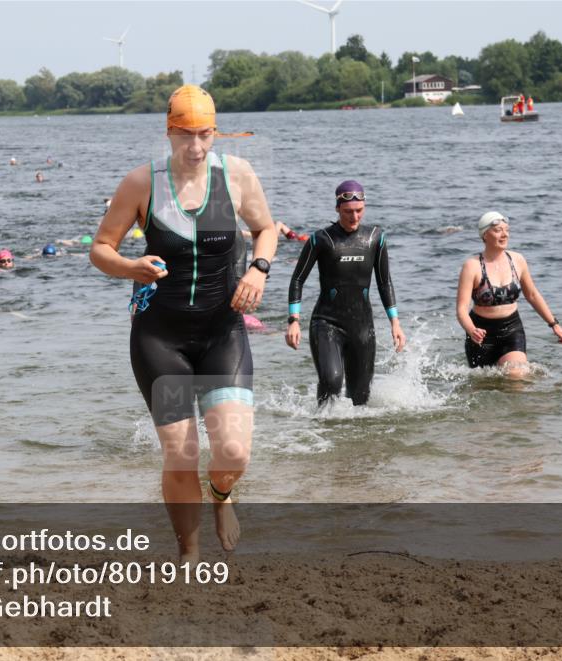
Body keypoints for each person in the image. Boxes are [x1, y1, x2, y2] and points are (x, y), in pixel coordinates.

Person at [90, 84, 277, 561]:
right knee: (181, 453)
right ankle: (188, 551)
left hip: (222, 333)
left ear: (215, 132)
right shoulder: (143, 183)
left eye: (204, 134)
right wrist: (129, 267)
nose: (195, 146)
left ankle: (221, 495)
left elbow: (265, 229)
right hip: (160, 338)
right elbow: (101, 249)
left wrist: (258, 269)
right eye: (185, 135)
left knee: (234, 452)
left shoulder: (234, 175)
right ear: (169, 132)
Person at [286, 180, 406, 407]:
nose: (354, 217)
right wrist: (294, 320)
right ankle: (321, 425)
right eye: (348, 211)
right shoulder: (321, 239)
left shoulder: (375, 238)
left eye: (359, 210)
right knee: (331, 382)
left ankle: (350, 432)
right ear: (337, 208)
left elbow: (384, 282)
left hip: (362, 327)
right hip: (327, 323)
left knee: (360, 398)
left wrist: (395, 323)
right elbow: (298, 279)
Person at [457, 211, 562, 378]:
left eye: (506, 230)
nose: (505, 234)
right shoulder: (472, 266)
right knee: (483, 384)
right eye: (498, 230)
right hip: (481, 333)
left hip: (512, 328)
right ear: (485, 235)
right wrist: (472, 330)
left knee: (517, 376)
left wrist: (554, 324)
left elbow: (532, 295)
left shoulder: (517, 260)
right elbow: (461, 309)